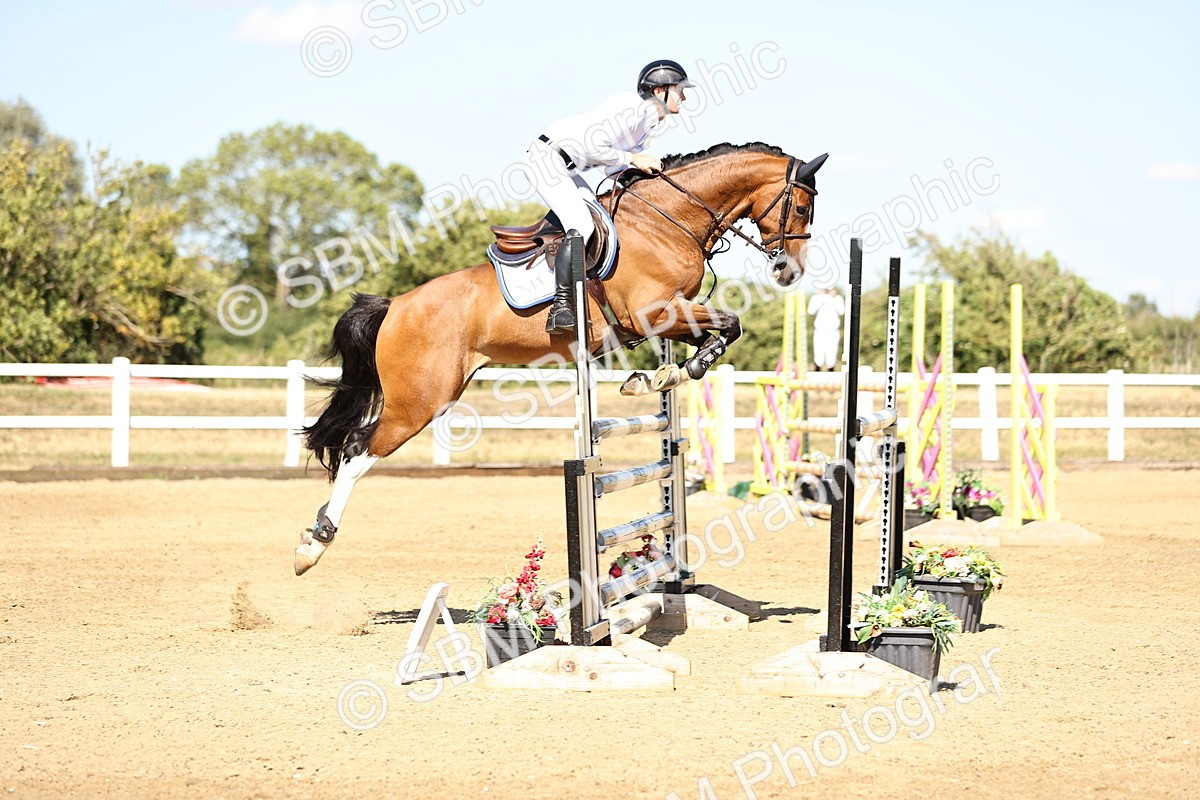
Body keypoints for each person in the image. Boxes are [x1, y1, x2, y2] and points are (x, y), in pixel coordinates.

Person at [524, 59, 694, 334]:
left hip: (567, 168)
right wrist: (633, 159)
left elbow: (615, 168)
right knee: (583, 224)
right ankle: (561, 308)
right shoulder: (632, 108)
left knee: (601, 221)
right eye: (680, 89)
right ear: (660, 91)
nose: (684, 96)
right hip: (547, 160)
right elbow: (593, 145)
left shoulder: (649, 125)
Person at [808, 288, 845, 371]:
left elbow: (841, 311)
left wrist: (832, 298)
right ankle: (817, 369)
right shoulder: (816, 298)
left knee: (832, 352)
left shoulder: (837, 298)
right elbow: (811, 311)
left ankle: (831, 369)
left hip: (833, 330)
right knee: (818, 352)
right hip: (820, 330)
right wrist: (821, 298)